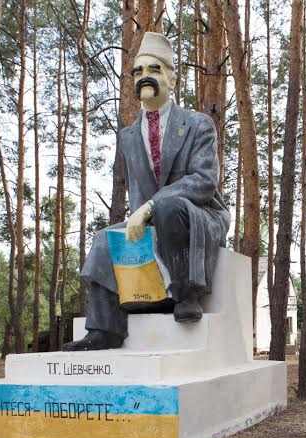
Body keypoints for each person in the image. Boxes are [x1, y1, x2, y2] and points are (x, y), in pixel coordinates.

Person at [64, 32, 230, 352]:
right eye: (137, 72)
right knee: (103, 239)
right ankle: (104, 330)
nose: (144, 77)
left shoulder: (198, 124)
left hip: (198, 213)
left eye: (153, 69)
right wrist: (138, 220)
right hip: (153, 216)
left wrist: (153, 205)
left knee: (169, 208)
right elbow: (138, 191)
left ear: (170, 75)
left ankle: (185, 293)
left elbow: (205, 180)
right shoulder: (127, 136)